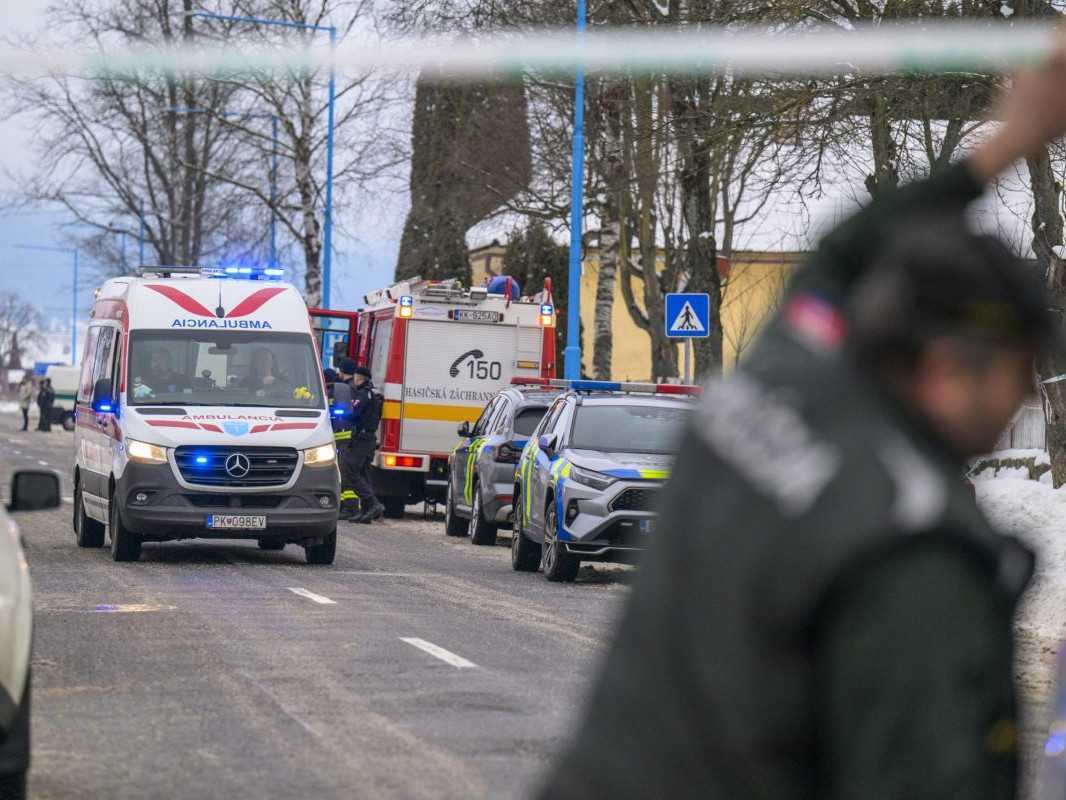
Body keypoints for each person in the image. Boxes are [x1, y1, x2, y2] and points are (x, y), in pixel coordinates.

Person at [536, 47, 1066, 800]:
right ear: (951, 368)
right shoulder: (914, 548)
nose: (1021, 403)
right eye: (1018, 374)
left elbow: (843, 251)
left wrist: (1007, 143)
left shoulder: (774, 382)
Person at [335, 358, 385, 524]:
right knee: (362, 473)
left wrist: (338, 413)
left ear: (360, 378)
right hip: (367, 438)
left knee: (350, 470)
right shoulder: (370, 393)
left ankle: (372, 503)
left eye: (356, 377)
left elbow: (353, 412)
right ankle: (366, 510)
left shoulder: (364, 394)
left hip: (361, 439)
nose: (354, 380)